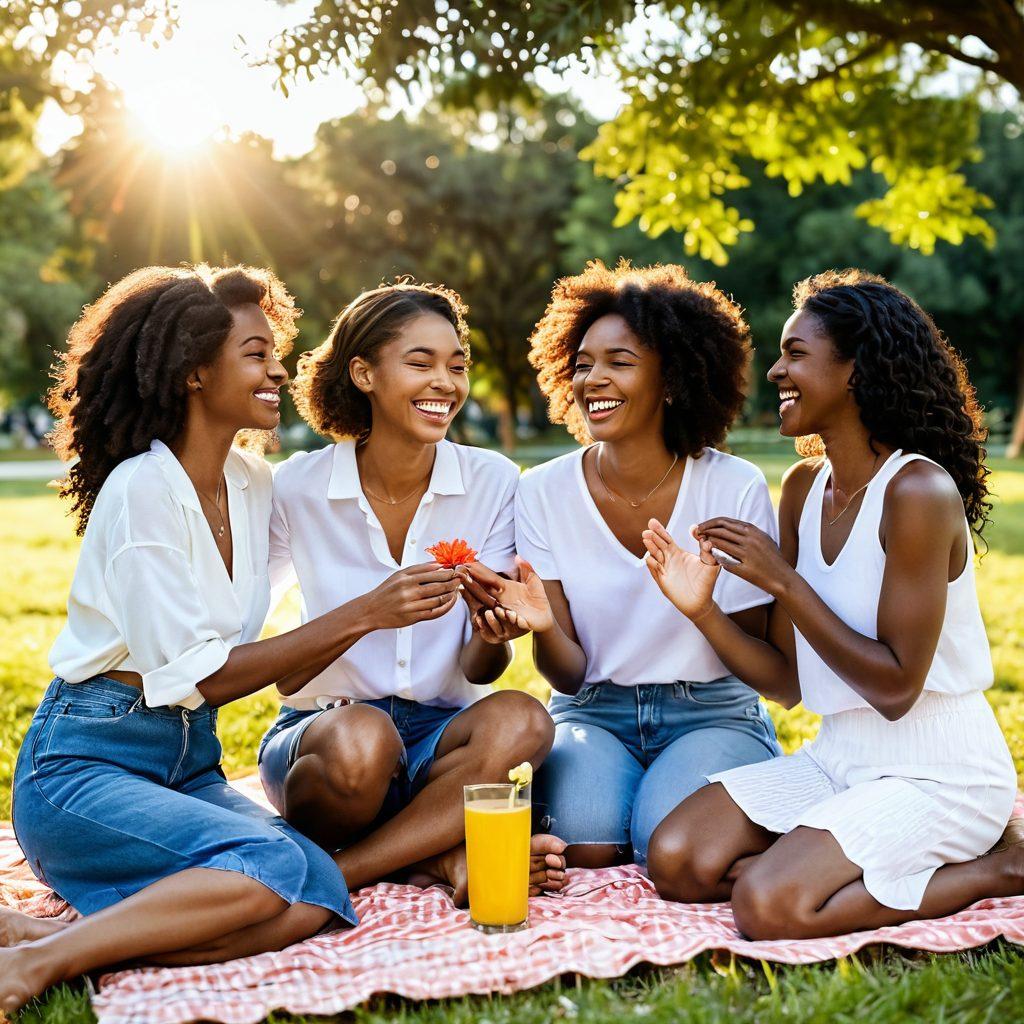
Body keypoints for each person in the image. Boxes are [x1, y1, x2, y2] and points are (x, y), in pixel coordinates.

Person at [0, 265, 459, 1012]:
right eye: (255, 352)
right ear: (191, 371)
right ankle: (40, 965)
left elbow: (334, 546)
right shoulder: (141, 491)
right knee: (268, 865)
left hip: (189, 763)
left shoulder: (251, 483)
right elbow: (203, 677)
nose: (279, 368)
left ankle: (41, 941)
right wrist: (368, 613)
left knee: (313, 887)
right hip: (85, 766)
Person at [642, 269, 1020, 939]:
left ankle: (1001, 866)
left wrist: (785, 582)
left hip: (938, 773)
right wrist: (700, 610)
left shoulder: (917, 492)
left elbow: (898, 686)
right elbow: (789, 683)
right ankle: (841, 866)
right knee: (676, 859)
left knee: (767, 905)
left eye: (795, 354)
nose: (775, 372)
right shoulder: (802, 489)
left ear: (855, 371)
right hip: (838, 759)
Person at [463, 260, 781, 869]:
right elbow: (568, 677)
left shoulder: (733, 487)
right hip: (592, 711)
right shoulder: (544, 491)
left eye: (620, 362)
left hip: (712, 711)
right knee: (586, 843)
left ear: (671, 380)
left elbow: (772, 673)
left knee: (668, 842)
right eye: (582, 364)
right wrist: (546, 628)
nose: (593, 379)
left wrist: (703, 612)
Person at [257, 281, 565, 901]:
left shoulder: (494, 481)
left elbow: (485, 665)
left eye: (457, 367)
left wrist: (492, 632)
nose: (445, 384)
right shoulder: (296, 487)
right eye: (420, 363)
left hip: (438, 738)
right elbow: (286, 679)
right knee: (363, 740)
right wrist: (370, 613)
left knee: (524, 719)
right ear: (363, 373)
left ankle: (345, 874)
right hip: (327, 734)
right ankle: (442, 852)